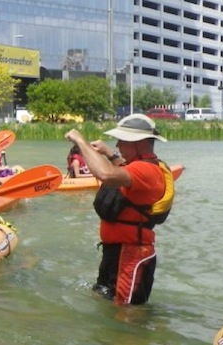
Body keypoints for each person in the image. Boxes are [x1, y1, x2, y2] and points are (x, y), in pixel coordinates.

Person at [65, 113, 174, 306]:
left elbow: (105, 174)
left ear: (137, 143)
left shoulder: (146, 170)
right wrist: (109, 155)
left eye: (121, 140)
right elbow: (123, 168)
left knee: (127, 312)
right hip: (117, 252)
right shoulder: (139, 166)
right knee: (104, 300)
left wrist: (80, 141)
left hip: (131, 255)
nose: (117, 145)